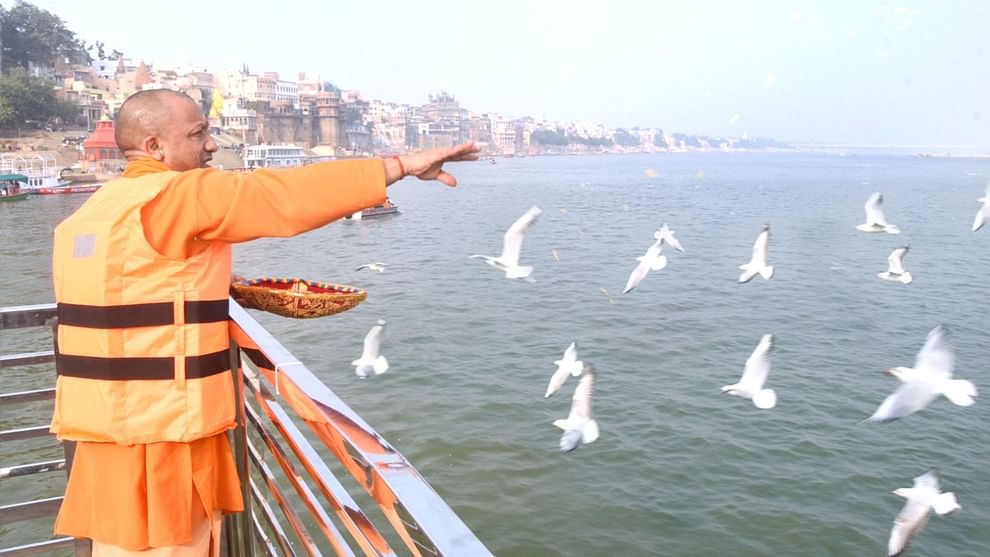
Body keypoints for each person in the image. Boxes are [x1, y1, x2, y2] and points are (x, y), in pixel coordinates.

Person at [50, 89, 479, 556]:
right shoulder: (179, 193)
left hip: (103, 431)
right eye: (198, 134)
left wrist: (214, 283)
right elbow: (281, 197)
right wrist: (400, 166)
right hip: (164, 438)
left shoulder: (96, 210)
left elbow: (131, 286)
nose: (211, 145)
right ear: (156, 147)